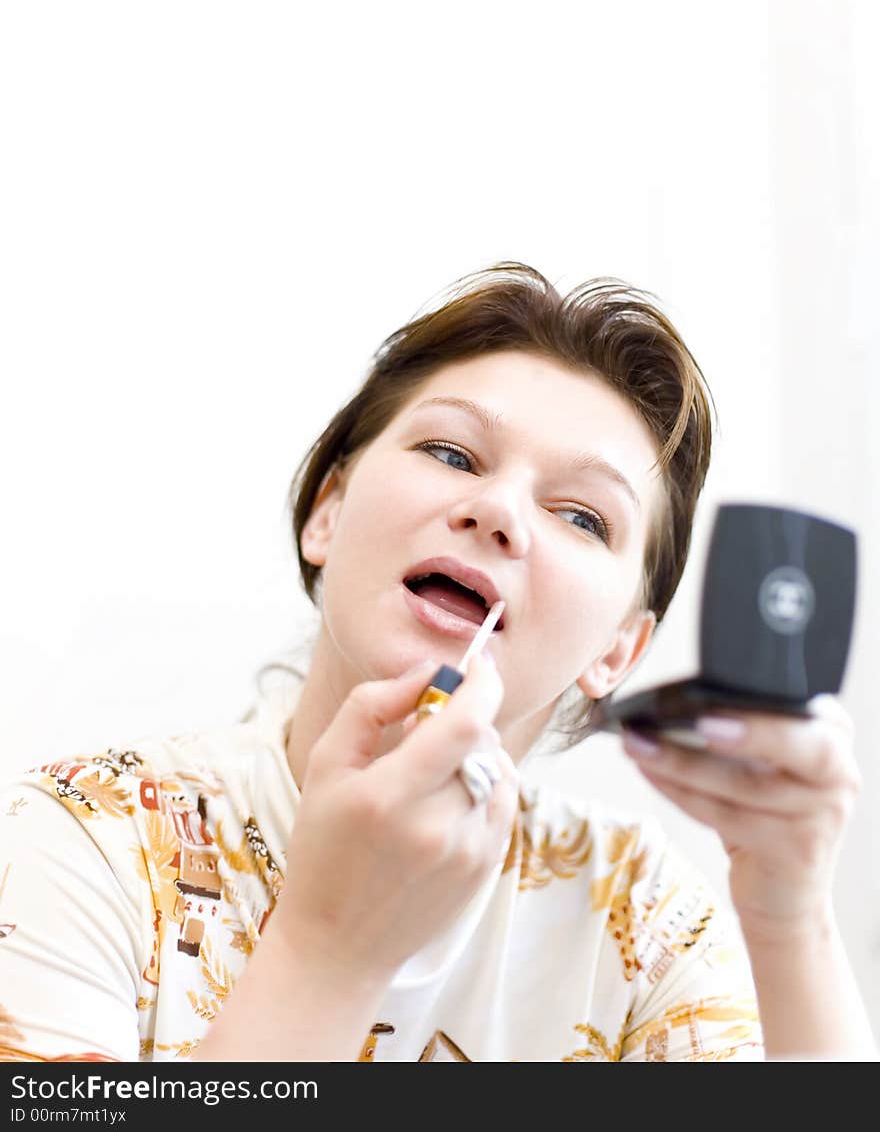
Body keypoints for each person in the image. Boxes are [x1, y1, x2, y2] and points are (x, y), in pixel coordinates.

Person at [0, 263, 875, 1063]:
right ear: (328, 514)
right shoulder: (88, 841)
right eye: (452, 454)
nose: (498, 510)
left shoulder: (643, 921)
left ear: (618, 651)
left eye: (581, 516)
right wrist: (326, 954)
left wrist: (789, 922)